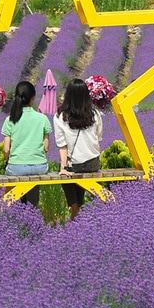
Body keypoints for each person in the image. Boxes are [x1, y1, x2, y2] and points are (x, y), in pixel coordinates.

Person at [54, 79, 104, 220]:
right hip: (93, 163)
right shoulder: (95, 114)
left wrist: (63, 167)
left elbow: (62, 145)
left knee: (67, 171)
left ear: (68, 95)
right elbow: (99, 137)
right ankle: (78, 208)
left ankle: (74, 206)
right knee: (80, 168)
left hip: (73, 165)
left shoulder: (60, 116)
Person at [0, 80, 51, 207]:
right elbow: (46, 148)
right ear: (33, 98)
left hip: (16, 167)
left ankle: (12, 210)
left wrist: (7, 161)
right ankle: (32, 210)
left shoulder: (10, 119)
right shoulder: (42, 119)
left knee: (12, 188)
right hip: (39, 167)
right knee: (33, 187)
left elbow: (6, 150)